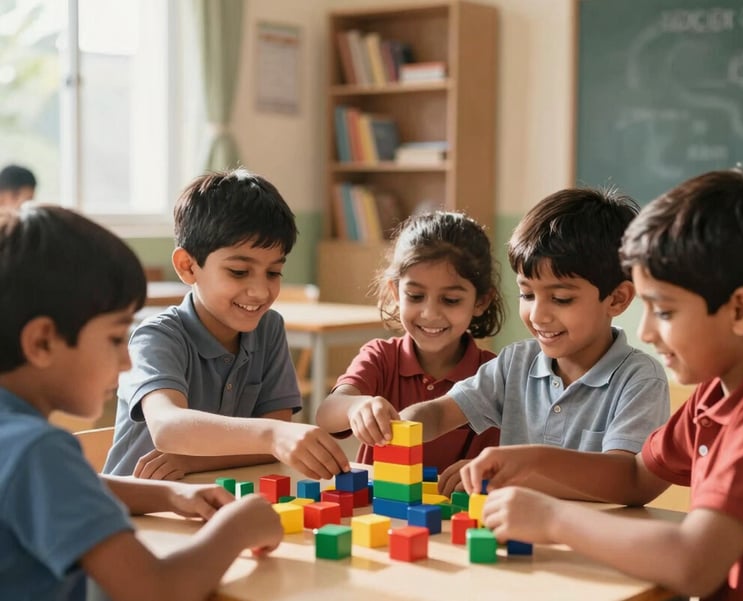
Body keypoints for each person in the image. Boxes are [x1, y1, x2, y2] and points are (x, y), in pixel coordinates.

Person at [460, 167, 743, 600]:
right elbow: (636, 476)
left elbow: (693, 563)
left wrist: (552, 519)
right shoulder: (715, 395)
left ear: (740, 312)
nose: (645, 332)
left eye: (663, 312)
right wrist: (531, 462)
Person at [0, 204, 283, 601]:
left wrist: (169, 495)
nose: (126, 361)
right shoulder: (37, 449)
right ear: (42, 341)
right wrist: (238, 527)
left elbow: (76, 486)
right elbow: (157, 589)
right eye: (116, 339)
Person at [397, 187, 671, 494]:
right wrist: (398, 425)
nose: (538, 315)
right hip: (517, 536)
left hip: (594, 538)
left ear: (617, 299)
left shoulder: (639, 379)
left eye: (561, 298)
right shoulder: (516, 363)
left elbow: (627, 479)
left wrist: (512, 471)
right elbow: (437, 414)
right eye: (527, 294)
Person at [103, 169, 349, 480]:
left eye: (273, 273)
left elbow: (277, 439)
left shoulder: (268, 328)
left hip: (208, 499)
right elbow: (168, 427)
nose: (260, 292)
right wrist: (273, 436)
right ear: (188, 267)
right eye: (238, 272)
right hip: (137, 511)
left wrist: (194, 462)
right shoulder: (156, 337)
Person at [316, 211, 505, 473]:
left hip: (453, 511)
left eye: (450, 300)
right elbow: (326, 415)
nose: (430, 313)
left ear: (481, 301)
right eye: (416, 296)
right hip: (375, 509)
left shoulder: (493, 376)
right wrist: (355, 407)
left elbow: (499, 463)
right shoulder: (380, 357)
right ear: (395, 291)